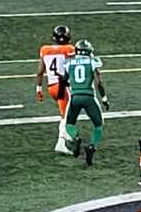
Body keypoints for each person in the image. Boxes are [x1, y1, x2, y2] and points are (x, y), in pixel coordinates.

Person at [61, 38, 108, 166]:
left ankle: (76, 137)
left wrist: (68, 86)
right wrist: (104, 98)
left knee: (69, 124)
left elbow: (64, 80)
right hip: (89, 97)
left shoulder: (69, 62)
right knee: (98, 125)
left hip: (75, 97)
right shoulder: (93, 61)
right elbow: (99, 83)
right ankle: (92, 146)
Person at [35, 23, 75, 154]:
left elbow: (40, 72)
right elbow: (73, 67)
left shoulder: (45, 49)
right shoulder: (69, 49)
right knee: (65, 116)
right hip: (62, 86)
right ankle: (61, 142)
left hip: (51, 87)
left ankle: (66, 134)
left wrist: (39, 89)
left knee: (66, 112)